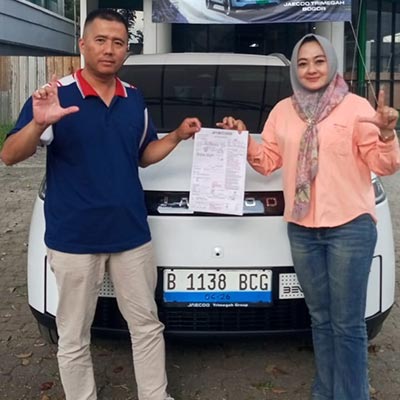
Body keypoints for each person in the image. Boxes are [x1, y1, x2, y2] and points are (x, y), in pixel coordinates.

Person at [0, 8, 201, 400]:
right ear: (83, 45)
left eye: (118, 42)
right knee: (74, 335)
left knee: (146, 326)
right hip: (74, 238)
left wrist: (176, 135)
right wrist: (39, 123)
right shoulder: (55, 95)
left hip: (131, 234)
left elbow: (143, 155)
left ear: (127, 50)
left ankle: (155, 396)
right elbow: (9, 155)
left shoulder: (134, 99)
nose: (109, 49)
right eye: (101, 40)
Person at [217, 33, 400, 400]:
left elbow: (385, 165)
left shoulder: (356, 108)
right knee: (320, 318)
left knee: (347, 323)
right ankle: (325, 391)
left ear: (331, 63)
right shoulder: (283, 111)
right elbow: (268, 161)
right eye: (302, 63)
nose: (311, 69)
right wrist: (243, 139)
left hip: (350, 227)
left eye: (319, 60)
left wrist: (386, 132)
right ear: (295, 70)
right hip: (302, 230)